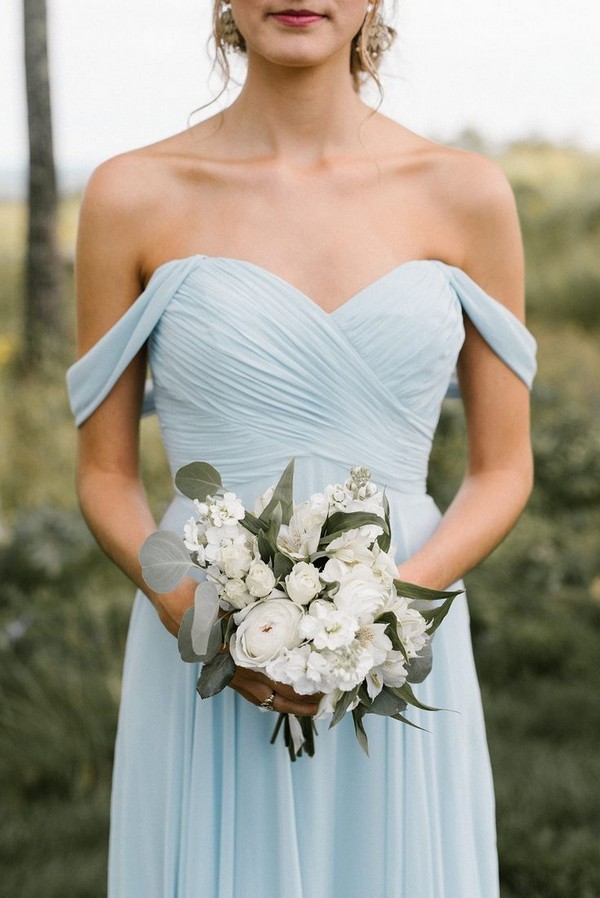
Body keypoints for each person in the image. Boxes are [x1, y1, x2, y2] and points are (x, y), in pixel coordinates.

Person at [67, 2, 537, 896]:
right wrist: (200, 621)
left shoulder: (467, 193)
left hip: (405, 632)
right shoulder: (131, 193)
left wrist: (387, 616)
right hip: (204, 645)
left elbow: (503, 469)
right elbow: (105, 474)